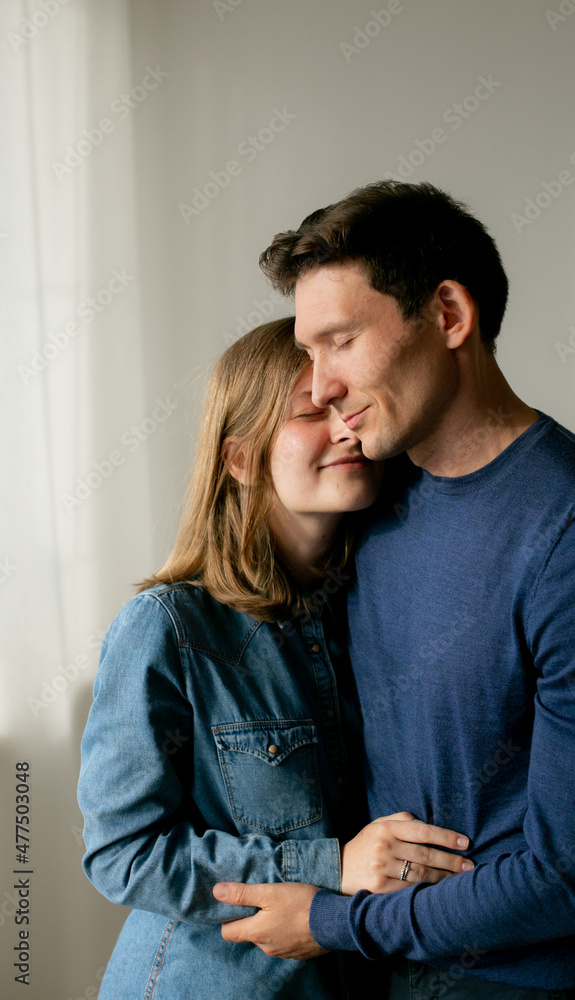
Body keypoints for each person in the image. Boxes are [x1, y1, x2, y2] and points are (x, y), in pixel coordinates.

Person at [212, 182, 575, 999]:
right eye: (308, 354)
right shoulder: (373, 497)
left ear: (449, 315)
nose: (319, 388)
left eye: (339, 341)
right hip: (385, 978)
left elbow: (566, 878)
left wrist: (327, 922)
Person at [77, 316, 473, 1000]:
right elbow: (123, 856)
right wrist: (332, 865)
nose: (346, 428)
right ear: (239, 458)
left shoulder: (378, 618)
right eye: (310, 413)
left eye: (348, 406)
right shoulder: (168, 628)